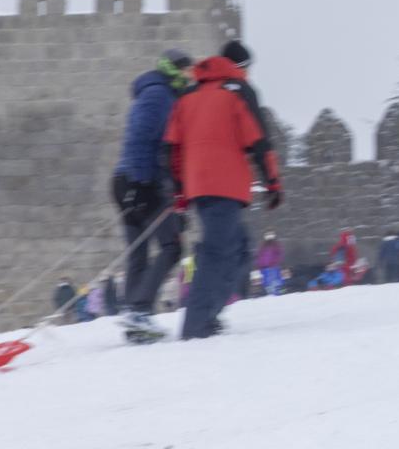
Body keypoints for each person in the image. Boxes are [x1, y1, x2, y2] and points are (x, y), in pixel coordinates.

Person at [164, 40, 283, 340]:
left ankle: (209, 315)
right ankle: (195, 326)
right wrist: (272, 182)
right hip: (225, 184)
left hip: (198, 186)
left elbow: (172, 148)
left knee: (240, 249)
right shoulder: (238, 91)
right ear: (241, 67)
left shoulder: (188, 95)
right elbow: (258, 139)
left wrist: (179, 193)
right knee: (217, 253)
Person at [109, 49, 194, 342]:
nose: (189, 76)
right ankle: (139, 309)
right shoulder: (159, 95)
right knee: (171, 247)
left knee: (139, 252)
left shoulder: (161, 94)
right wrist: (140, 185)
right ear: (174, 70)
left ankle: (135, 318)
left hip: (131, 181)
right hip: (139, 181)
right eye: (186, 70)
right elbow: (140, 139)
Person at [255, 231, 285, 296]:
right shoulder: (263, 245)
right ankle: (269, 293)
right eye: (267, 235)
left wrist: (275, 262)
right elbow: (259, 256)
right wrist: (259, 265)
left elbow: (279, 254)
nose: (269, 236)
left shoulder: (276, 244)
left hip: (273, 266)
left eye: (270, 234)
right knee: (266, 282)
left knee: (275, 280)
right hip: (264, 268)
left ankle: (278, 293)